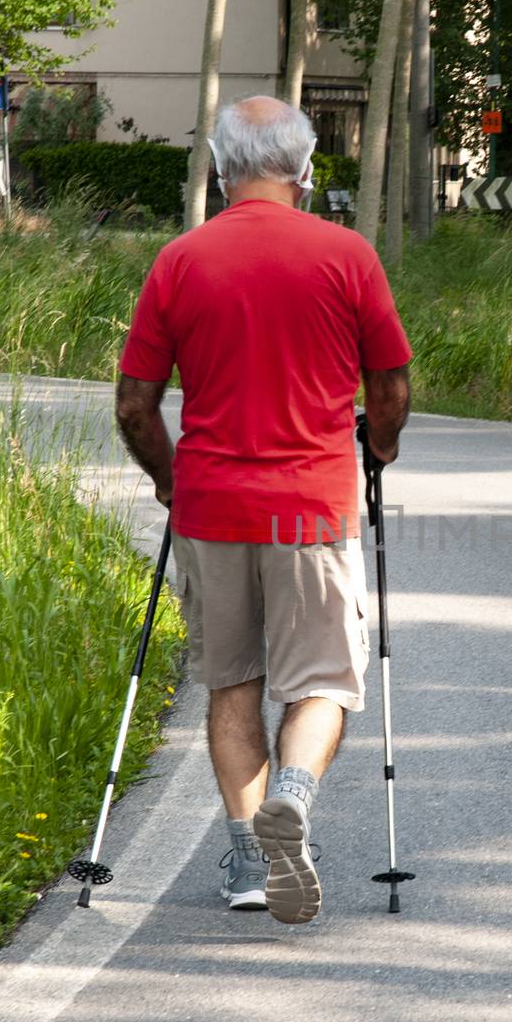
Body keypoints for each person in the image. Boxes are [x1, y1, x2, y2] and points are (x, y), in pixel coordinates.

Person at [114, 95, 412, 926]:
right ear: (306, 169)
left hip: (212, 506)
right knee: (322, 681)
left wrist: (171, 481)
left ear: (218, 168)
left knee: (232, 683)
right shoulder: (347, 256)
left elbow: (136, 406)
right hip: (310, 508)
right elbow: (388, 389)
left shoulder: (180, 260)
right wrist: (379, 448)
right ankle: (292, 796)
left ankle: (250, 860)